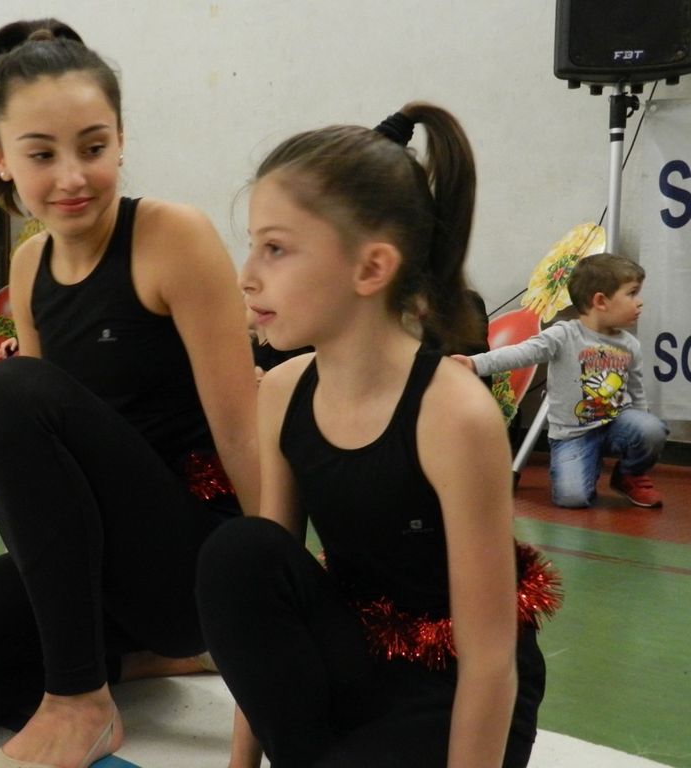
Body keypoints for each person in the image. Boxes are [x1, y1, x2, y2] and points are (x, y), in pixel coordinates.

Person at [0, 18, 260, 768]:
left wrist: (278, 595)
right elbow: (44, 475)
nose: (72, 177)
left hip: (190, 566)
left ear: (121, 140)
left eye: (93, 148)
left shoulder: (172, 237)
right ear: (2, 160)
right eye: (42, 154)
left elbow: (243, 432)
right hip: (101, 574)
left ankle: (81, 700)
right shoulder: (31, 266)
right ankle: (137, 662)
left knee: (8, 390)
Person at [195, 105, 557, 768]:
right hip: (358, 659)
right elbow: (265, 592)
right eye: (252, 245)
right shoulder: (283, 391)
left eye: (275, 248)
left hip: (452, 691)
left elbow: (489, 661)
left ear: (371, 268)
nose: (247, 274)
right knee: (239, 552)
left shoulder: (455, 416)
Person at [454, 253, 667, 508]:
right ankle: (585, 464)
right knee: (572, 498)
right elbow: (520, 353)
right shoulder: (563, 335)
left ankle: (629, 474)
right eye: (632, 294)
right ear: (600, 301)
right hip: (573, 434)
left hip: (615, 425)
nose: (639, 303)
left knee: (651, 428)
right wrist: (475, 363)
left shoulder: (629, 344)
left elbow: (636, 390)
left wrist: (643, 431)